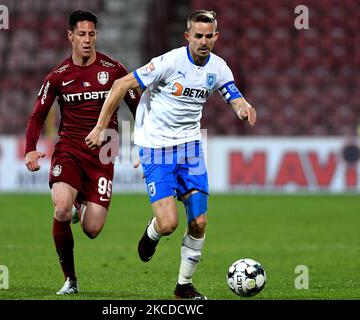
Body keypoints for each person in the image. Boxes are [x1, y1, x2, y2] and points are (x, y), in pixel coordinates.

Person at [85, 10, 257, 299]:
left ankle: (183, 286)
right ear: (187, 36)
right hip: (155, 148)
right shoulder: (169, 62)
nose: (203, 42)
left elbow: (233, 94)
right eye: (198, 36)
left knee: (199, 222)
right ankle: (152, 233)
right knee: (168, 224)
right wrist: (102, 126)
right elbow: (120, 84)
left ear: (216, 37)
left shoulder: (219, 67)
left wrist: (244, 107)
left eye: (209, 36)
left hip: (190, 147)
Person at [24, 10, 139, 295]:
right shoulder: (58, 76)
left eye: (92, 34)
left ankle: (80, 206)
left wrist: (145, 144)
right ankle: (71, 281)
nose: (87, 40)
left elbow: (140, 108)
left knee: (92, 229)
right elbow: (37, 116)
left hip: (104, 153)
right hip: (70, 149)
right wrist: (30, 149)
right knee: (60, 208)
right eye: (81, 34)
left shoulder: (115, 70)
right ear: (70, 36)